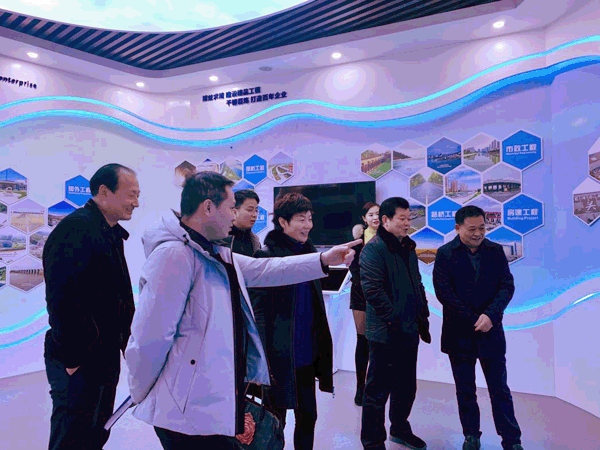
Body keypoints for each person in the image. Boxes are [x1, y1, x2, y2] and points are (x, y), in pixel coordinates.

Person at [125, 172, 360, 450]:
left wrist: (323, 259)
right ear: (208, 207)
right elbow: (150, 338)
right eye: (231, 207)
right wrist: (141, 393)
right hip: (180, 408)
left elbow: (266, 270)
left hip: (205, 401)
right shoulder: (174, 256)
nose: (234, 215)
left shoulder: (214, 253)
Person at [43, 163, 140, 450]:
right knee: (71, 437)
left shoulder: (110, 233)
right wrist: (72, 359)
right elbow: (62, 299)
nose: (136, 203)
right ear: (104, 191)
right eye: (131, 194)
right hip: (80, 359)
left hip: (103, 356)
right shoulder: (76, 229)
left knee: (94, 435)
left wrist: (129, 348)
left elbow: (120, 299)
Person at [433, 205, 524, 450]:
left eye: (482, 228)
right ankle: (471, 436)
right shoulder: (445, 253)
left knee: (500, 389)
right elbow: (444, 292)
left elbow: (506, 286)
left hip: (491, 331)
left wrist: (490, 316)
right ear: (457, 228)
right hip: (459, 333)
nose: (478, 233)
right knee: (465, 390)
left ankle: (512, 440)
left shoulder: (495, 251)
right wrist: (474, 318)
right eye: (472, 229)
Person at [249, 193, 333, 450]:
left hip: (306, 355)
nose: (308, 225)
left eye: (310, 218)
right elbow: (258, 313)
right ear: (283, 222)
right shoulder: (266, 257)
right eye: (301, 219)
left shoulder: (311, 256)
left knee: (308, 417)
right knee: (275, 421)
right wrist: (261, 359)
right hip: (278, 358)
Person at [359, 197, 431, 450]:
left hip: (410, 329)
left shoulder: (407, 246)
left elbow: (417, 283)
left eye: (409, 218)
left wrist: (422, 313)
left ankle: (400, 429)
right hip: (386, 333)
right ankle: (373, 441)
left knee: (406, 387)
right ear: (385, 220)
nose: (407, 223)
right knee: (377, 391)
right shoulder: (374, 249)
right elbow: (373, 291)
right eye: (402, 218)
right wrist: (395, 321)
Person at [348, 202, 380, 406]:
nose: (375, 217)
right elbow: (354, 269)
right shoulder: (357, 242)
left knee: (380, 342)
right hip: (360, 294)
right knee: (363, 341)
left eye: (378, 214)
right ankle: (360, 386)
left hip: (383, 297)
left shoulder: (390, 238)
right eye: (371, 214)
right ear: (364, 219)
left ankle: (377, 384)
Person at [215, 189, 261, 256]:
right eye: (250, 210)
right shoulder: (219, 239)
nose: (254, 215)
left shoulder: (255, 241)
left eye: (256, 211)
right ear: (234, 211)